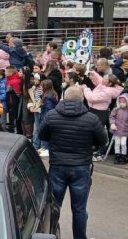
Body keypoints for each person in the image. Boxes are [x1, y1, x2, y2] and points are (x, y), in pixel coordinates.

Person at [39, 86, 107, 239]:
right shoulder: (92, 118)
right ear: (82, 99)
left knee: (54, 207)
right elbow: (103, 140)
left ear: (64, 97)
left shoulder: (51, 115)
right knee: (79, 209)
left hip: (58, 166)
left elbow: (43, 135)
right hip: (81, 167)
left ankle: (50, 235)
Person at [37, 79, 59, 157]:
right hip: (49, 117)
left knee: (45, 131)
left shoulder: (48, 97)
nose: (40, 87)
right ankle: (45, 147)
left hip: (46, 117)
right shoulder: (52, 94)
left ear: (45, 86)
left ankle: (45, 148)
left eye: (41, 86)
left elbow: (48, 109)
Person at [110, 93, 128, 165]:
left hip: (125, 130)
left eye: (123, 102)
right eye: (120, 102)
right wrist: (112, 123)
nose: (121, 104)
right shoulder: (116, 109)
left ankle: (123, 156)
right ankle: (117, 155)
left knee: (123, 143)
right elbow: (111, 117)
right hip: (116, 130)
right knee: (117, 143)